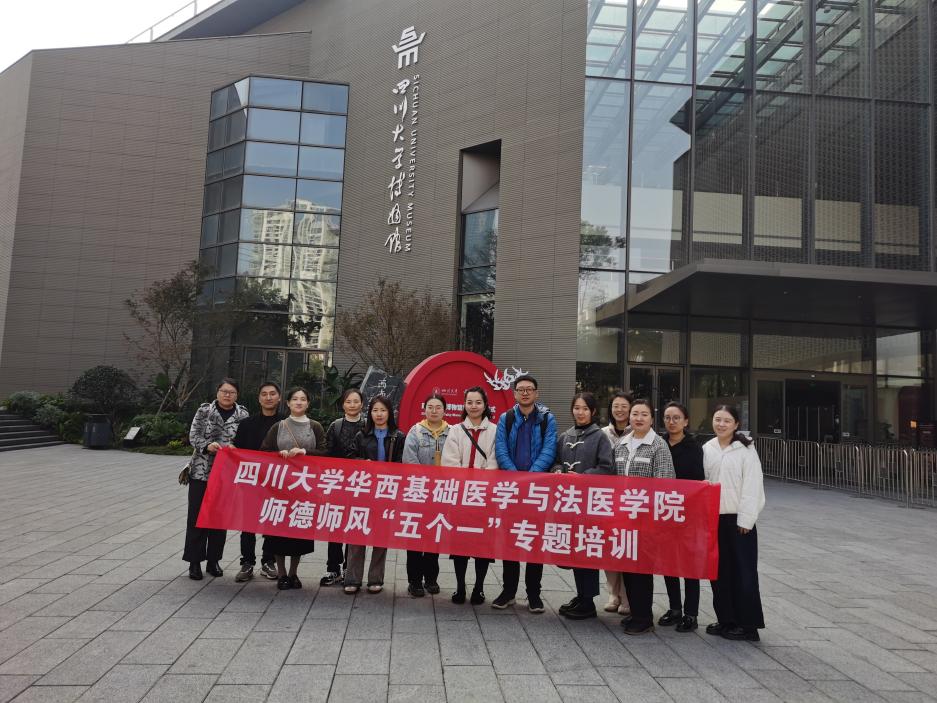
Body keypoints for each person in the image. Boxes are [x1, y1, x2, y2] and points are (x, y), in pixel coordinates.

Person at [493, 374, 557, 613]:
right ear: (514, 394)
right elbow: (501, 449)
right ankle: (508, 591)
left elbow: (549, 449)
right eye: (521, 389)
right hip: (511, 489)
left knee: (534, 541)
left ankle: (534, 594)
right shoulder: (506, 418)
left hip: (537, 489)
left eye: (529, 389)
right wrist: (515, 478)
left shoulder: (547, 419)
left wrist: (530, 478)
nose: (525, 393)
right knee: (510, 541)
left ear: (536, 393)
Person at [612, 399, 675, 634]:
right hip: (623, 517)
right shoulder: (621, 444)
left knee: (642, 569)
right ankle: (636, 611)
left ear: (651, 419)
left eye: (644, 414)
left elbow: (665, 483)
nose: (639, 418)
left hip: (645, 519)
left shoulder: (658, 445)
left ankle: (644, 617)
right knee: (627, 566)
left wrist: (652, 514)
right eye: (635, 414)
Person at [703, 405, 766, 641]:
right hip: (714, 519)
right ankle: (726, 619)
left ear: (736, 424)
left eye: (727, 420)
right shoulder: (707, 448)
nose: (721, 424)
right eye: (717, 419)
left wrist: (747, 519)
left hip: (739, 521)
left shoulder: (746, 450)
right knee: (719, 572)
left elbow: (753, 486)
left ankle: (748, 625)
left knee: (743, 573)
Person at [554, 392, 614, 620]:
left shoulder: (600, 437)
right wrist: (558, 471)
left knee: (586, 549)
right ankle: (581, 596)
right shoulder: (565, 436)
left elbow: (607, 468)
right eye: (577, 408)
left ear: (593, 411)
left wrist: (583, 476)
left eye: (585, 409)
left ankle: (588, 601)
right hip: (569, 503)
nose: (580, 412)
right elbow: (555, 462)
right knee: (574, 550)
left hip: (590, 504)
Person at [260, 387, 327, 590]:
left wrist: (305, 452)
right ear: (288, 403)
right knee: (278, 533)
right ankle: (281, 574)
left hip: (304, 488)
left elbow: (325, 452)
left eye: (303, 399)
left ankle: (293, 573)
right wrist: (277, 455)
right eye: (295, 399)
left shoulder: (315, 427)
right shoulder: (278, 426)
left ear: (308, 403)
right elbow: (263, 452)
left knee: (299, 532)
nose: (299, 402)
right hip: (279, 489)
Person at [184, 378, 249, 580]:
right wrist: (206, 445)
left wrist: (236, 448)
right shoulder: (204, 410)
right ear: (217, 392)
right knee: (197, 517)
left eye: (231, 392)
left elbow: (245, 441)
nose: (227, 395)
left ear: (237, 395)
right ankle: (194, 562)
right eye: (224, 391)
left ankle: (214, 560)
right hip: (201, 472)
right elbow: (193, 436)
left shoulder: (243, 414)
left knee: (219, 519)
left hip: (227, 474)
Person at [441, 386, 498, 605]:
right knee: (460, 544)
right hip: (461, 497)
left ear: (485, 405)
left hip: (485, 497)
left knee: (483, 545)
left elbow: (495, 461)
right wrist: (467, 483)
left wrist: (481, 484)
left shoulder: (495, 431)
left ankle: (479, 588)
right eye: (469, 402)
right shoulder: (456, 430)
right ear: (464, 405)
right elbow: (450, 462)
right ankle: (460, 587)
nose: (473, 406)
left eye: (478, 402)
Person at [344, 395, 405, 594]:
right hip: (363, 491)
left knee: (381, 536)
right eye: (375, 410)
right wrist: (364, 463)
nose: (379, 414)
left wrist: (387, 470)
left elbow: (402, 464)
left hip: (386, 492)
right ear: (370, 413)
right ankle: (352, 578)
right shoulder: (361, 435)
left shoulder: (398, 436)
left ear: (390, 413)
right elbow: (350, 458)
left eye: (383, 410)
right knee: (356, 534)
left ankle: (375, 578)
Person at [658, 401, 705, 632]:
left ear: (686, 421)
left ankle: (691, 613)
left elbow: (698, 479)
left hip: (688, 513)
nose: (671, 422)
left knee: (688, 564)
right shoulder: (660, 444)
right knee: (669, 563)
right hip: (665, 511)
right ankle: (675, 608)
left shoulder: (694, 447)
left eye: (676, 418)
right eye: (667, 417)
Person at [232, 381, 285, 582]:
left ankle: (268, 561)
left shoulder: (286, 423)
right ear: (259, 398)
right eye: (264, 394)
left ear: (279, 398)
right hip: (251, 481)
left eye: (272, 394)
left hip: (276, 481)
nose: (268, 397)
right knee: (248, 523)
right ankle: (247, 562)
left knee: (272, 522)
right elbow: (237, 452)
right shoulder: (247, 424)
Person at [402, 393, 450, 597]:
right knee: (414, 537)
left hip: (441, 494)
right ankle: (414, 581)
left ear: (444, 410)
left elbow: (454, 461)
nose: (434, 410)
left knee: (434, 536)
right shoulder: (415, 431)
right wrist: (427, 482)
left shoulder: (452, 433)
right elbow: (409, 460)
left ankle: (431, 579)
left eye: (438, 407)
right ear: (424, 409)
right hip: (419, 492)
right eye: (430, 407)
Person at [319, 388, 366, 587]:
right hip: (337, 483)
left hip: (360, 485)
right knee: (335, 526)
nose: (352, 405)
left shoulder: (368, 426)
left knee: (354, 525)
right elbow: (326, 452)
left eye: (356, 401)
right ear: (343, 404)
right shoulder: (335, 426)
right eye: (348, 401)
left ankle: (350, 568)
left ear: (362, 404)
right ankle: (333, 568)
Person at [601, 390, 632, 615]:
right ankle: (613, 593)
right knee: (609, 546)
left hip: (631, 500)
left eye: (624, 406)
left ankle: (627, 596)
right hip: (607, 499)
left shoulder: (638, 432)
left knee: (628, 547)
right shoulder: (603, 434)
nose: (619, 410)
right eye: (615, 406)